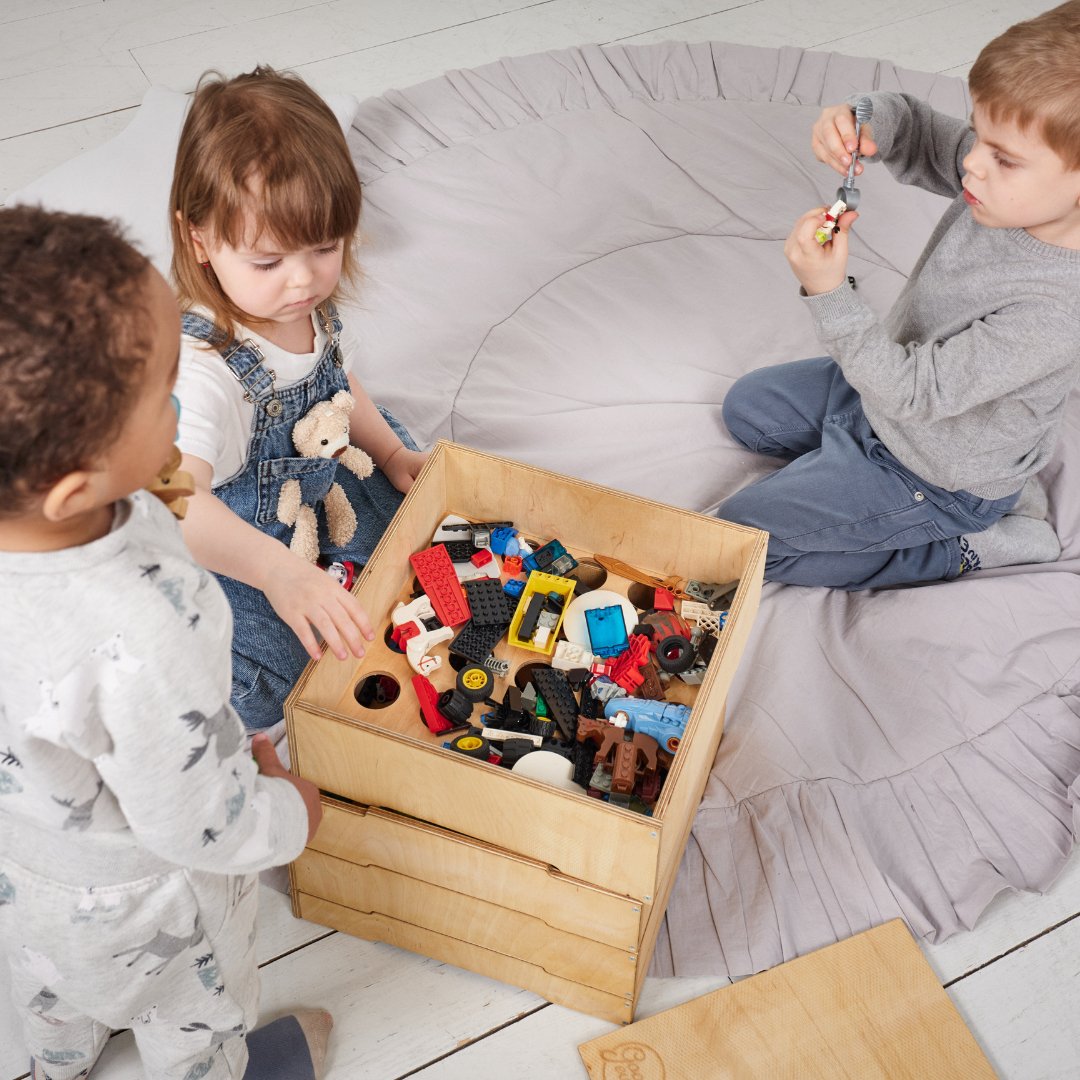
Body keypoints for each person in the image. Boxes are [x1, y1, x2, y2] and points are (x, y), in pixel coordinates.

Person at [0, 206, 333, 1080]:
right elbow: (199, 825)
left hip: (25, 880)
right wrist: (292, 811)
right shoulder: (141, 631)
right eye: (165, 398)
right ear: (75, 487)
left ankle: (54, 1066)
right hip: (149, 905)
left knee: (51, 1000)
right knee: (195, 1019)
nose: (185, 406)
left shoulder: (48, 518)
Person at [716, 1, 1080, 590]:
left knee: (737, 543)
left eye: (1002, 157)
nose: (971, 163)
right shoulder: (1012, 187)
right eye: (980, 137)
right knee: (748, 410)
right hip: (887, 395)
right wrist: (870, 123)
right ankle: (852, 473)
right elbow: (922, 133)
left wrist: (829, 293)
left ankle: (969, 544)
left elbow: (916, 392)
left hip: (936, 469)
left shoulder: (1056, 311)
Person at [169, 66, 428, 730]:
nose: (304, 280)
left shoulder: (305, 301)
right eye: (268, 262)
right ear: (198, 239)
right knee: (284, 668)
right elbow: (175, 504)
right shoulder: (204, 370)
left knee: (411, 533)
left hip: (311, 479)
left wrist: (392, 450)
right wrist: (281, 576)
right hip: (230, 540)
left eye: (325, 247)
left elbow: (336, 386)